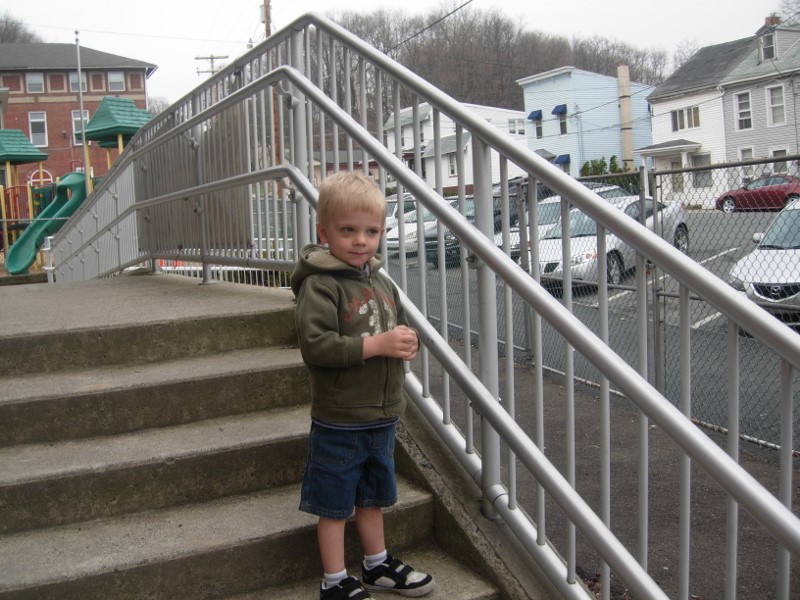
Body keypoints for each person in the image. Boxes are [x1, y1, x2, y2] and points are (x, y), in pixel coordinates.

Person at [290, 171, 435, 600]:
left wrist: (406, 342)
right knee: (333, 503)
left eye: (371, 231)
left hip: (381, 413)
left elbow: (395, 328)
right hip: (340, 419)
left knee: (372, 496)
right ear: (324, 232)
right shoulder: (320, 284)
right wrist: (378, 344)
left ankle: (376, 564)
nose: (360, 241)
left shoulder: (380, 281)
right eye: (348, 230)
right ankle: (333, 580)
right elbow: (317, 346)